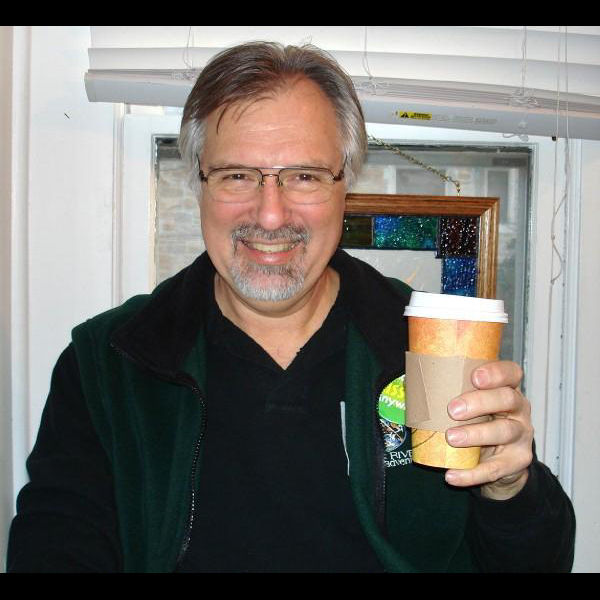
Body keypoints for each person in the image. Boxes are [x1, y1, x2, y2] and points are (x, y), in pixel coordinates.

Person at [7, 41, 575, 573]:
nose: (271, 215)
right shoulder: (110, 364)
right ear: (198, 184)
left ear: (345, 186)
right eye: (237, 175)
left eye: (304, 176)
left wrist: (511, 489)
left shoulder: (424, 344)